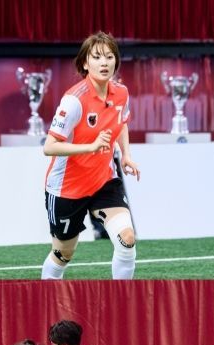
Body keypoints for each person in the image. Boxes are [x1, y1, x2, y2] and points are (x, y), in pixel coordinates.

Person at [41, 30, 139, 281]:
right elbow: (49, 146)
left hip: (103, 182)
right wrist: (90, 147)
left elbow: (121, 122)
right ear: (85, 63)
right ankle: (46, 298)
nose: (104, 63)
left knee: (127, 239)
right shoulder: (73, 100)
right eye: (97, 57)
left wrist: (126, 155)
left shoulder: (121, 93)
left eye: (109, 56)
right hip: (67, 188)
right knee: (63, 254)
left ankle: (123, 299)